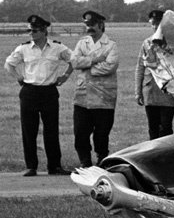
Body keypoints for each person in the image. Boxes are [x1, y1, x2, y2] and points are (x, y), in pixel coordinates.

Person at [5, 15, 73, 176]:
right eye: (29, 30)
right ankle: (31, 166)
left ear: (44, 31)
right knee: (29, 131)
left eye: (34, 30)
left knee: (51, 130)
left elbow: (74, 60)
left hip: (49, 91)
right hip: (29, 91)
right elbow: (8, 64)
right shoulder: (24, 48)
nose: (31, 33)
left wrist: (65, 76)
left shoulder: (57, 47)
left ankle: (54, 166)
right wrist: (18, 77)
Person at [70, 10, 119, 167]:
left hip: (104, 95)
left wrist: (88, 67)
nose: (89, 28)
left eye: (92, 25)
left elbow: (110, 67)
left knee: (101, 133)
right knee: (80, 132)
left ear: (101, 25)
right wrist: (96, 59)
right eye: (87, 25)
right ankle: (85, 162)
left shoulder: (111, 45)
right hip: (83, 95)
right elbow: (75, 62)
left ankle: (102, 160)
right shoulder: (81, 43)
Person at [135, 9, 174, 138]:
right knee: (152, 128)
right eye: (152, 24)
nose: (155, 27)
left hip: (167, 91)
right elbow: (140, 67)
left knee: (166, 127)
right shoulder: (147, 43)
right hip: (151, 91)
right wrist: (138, 91)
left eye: (157, 24)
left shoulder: (173, 43)